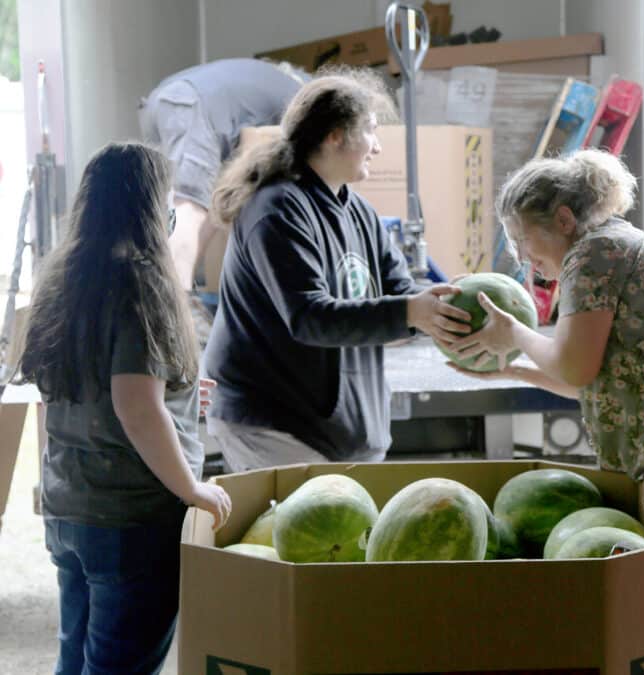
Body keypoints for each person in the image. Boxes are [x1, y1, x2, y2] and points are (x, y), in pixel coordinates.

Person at [447, 149, 644, 674]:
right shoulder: (617, 246)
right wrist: (512, 368)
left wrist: (516, 335)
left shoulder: (593, 255)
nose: (523, 257)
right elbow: (604, 384)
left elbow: (576, 367)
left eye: (523, 239)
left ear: (563, 219)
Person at [17, 142, 232, 674]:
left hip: (71, 507)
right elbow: (136, 406)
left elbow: (68, 391)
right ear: (153, 210)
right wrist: (192, 488)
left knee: (76, 660)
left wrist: (177, 397)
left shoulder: (63, 279)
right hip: (130, 518)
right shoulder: (140, 280)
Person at [202, 69, 471, 472]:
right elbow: (308, 316)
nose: (377, 147)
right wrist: (412, 312)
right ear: (335, 137)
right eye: (372, 132)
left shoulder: (360, 212)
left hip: (340, 430)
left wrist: (451, 303)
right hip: (274, 424)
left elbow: (401, 290)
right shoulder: (276, 209)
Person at [138, 57, 310, 336]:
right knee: (191, 208)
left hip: (162, 103)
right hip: (190, 105)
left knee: (192, 205)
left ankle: (167, 302)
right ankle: (174, 310)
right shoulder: (302, 96)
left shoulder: (260, 83)